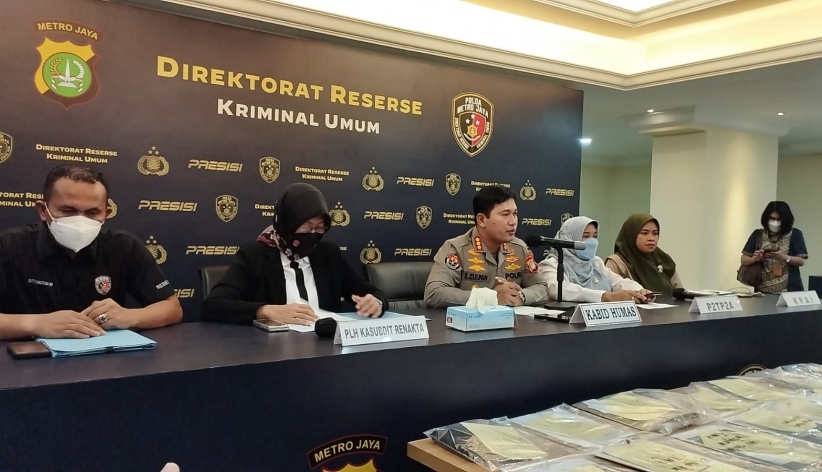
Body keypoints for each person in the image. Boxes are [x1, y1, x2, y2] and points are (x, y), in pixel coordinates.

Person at [0, 165, 183, 340]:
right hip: (29, 357)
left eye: (93, 212)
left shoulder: (124, 246)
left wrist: (130, 316)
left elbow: (172, 308)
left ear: (106, 213)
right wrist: (35, 324)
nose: (80, 221)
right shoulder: (8, 246)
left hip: (104, 357)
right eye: (68, 210)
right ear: (43, 210)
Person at [201, 183, 388, 325]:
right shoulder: (253, 256)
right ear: (287, 223)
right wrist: (264, 311)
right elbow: (213, 305)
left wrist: (376, 302)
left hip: (325, 348)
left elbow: (371, 292)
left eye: (319, 228)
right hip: (271, 351)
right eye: (306, 227)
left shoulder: (329, 255)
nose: (313, 234)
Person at [425, 185, 550, 307]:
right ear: (481, 220)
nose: (513, 221)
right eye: (505, 214)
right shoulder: (456, 248)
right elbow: (434, 293)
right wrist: (492, 298)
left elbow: (542, 288)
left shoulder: (520, 248)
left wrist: (520, 296)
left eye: (515, 214)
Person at [539, 216, 656, 303]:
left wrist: (639, 291)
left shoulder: (595, 262)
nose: (592, 241)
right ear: (568, 238)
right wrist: (605, 296)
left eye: (594, 236)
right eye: (585, 236)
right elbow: (558, 290)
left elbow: (618, 282)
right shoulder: (550, 265)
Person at [605, 212, 683, 293]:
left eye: (655, 233)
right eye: (644, 233)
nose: (651, 238)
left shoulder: (664, 260)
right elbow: (608, 295)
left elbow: (680, 293)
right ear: (631, 234)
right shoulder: (617, 262)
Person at [740, 201, 807, 293]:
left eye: (779, 219)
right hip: (762, 291)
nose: (775, 222)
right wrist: (755, 259)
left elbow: (801, 261)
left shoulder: (795, 234)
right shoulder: (758, 234)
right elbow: (743, 259)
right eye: (772, 218)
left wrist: (784, 257)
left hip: (789, 291)